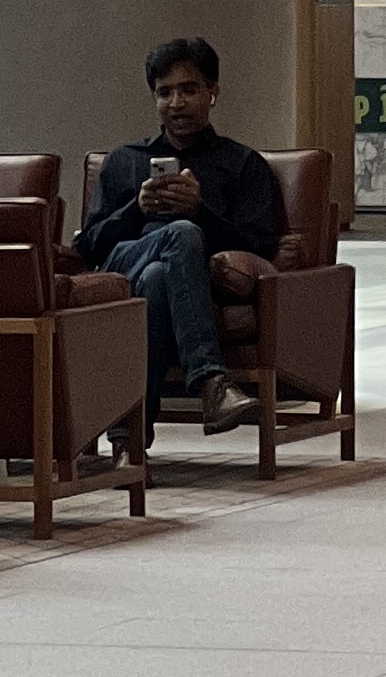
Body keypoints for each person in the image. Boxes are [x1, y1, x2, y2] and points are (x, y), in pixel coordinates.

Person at [78, 36, 284, 430]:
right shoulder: (125, 160)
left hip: (183, 275)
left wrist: (200, 211)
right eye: (165, 93)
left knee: (162, 272)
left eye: (189, 90)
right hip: (126, 263)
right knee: (179, 234)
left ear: (213, 93)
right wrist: (134, 209)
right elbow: (88, 246)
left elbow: (262, 244)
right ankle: (211, 381)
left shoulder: (241, 163)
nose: (176, 103)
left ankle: (130, 443)